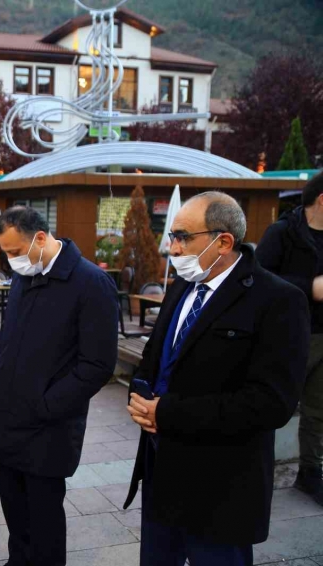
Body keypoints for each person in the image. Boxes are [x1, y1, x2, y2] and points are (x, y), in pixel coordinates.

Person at [124, 192, 309, 566]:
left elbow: (272, 403)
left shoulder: (278, 300)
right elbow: (153, 357)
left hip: (222, 488)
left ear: (223, 241)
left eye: (182, 236)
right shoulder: (181, 287)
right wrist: (139, 397)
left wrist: (170, 414)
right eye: (172, 236)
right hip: (161, 473)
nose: (172, 248)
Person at [0, 206, 118, 566]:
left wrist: (47, 404)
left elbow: (98, 365)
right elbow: (8, 335)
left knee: (43, 522)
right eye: (6, 253)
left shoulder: (92, 283)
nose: (11, 261)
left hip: (48, 427)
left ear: (40, 238)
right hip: (9, 417)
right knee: (15, 515)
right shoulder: (28, 274)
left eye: (14, 252)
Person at [257, 171, 323, 507]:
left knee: (319, 411)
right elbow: (259, 280)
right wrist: (309, 287)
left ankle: (311, 474)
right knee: (272, 405)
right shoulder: (283, 232)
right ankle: (255, 472)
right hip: (289, 336)